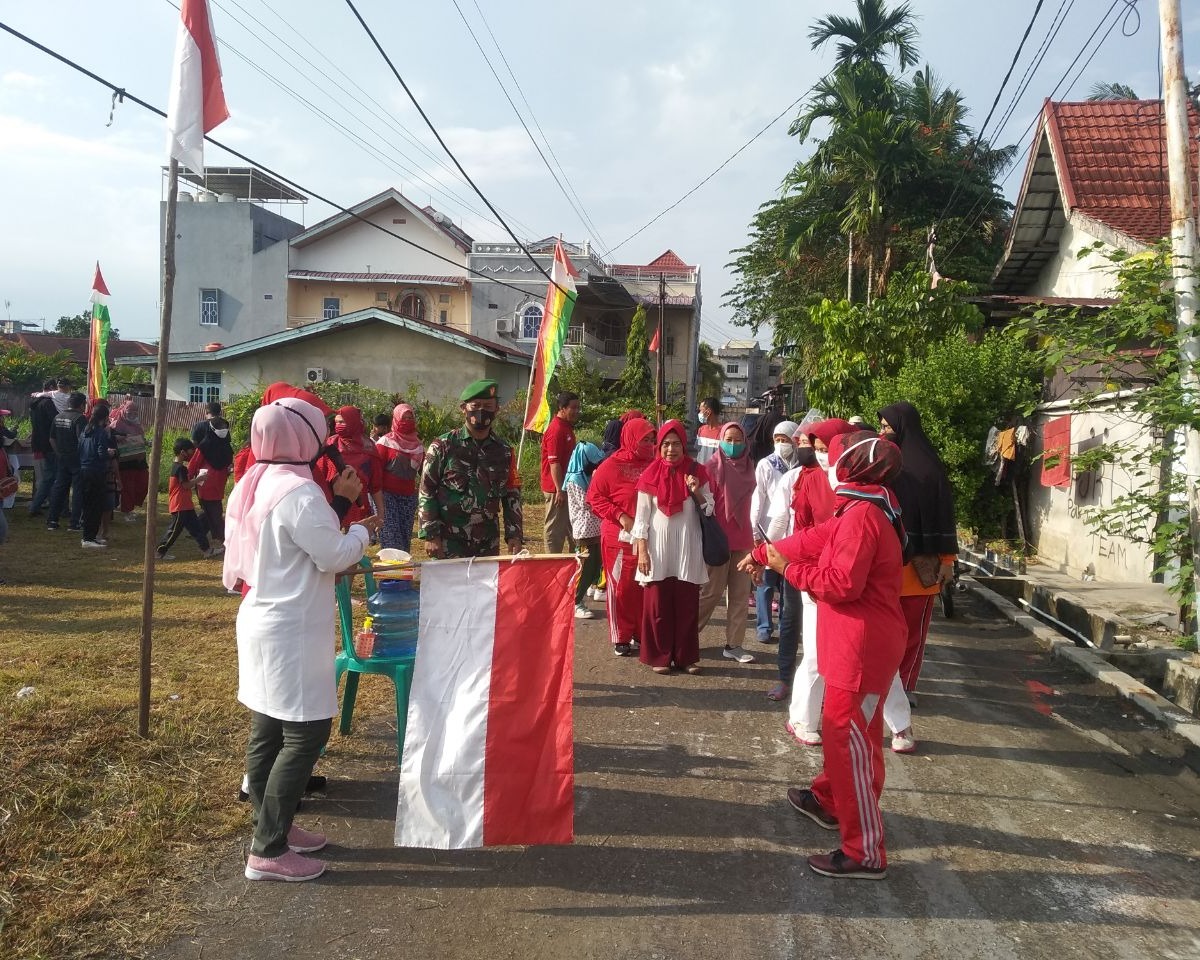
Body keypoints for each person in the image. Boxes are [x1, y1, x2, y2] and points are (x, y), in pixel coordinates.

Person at [741, 430, 907, 880]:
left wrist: (784, 569)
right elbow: (813, 539)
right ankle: (831, 801)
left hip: (862, 648)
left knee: (847, 740)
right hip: (860, 645)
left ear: (847, 467)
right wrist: (763, 552)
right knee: (852, 738)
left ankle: (865, 850)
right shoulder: (862, 507)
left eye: (827, 457)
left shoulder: (861, 517)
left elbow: (839, 582)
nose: (821, 465)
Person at [224, 396, 375, 883]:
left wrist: (336, 508)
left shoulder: (251, 483)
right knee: (305, 731)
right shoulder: (300, 493)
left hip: (262, 619)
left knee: (268, 727)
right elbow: (331, 554)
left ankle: (275, 826)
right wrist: (362, 533)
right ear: (305, 438)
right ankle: (267, 849)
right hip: (290, 628)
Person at [877, 401, 959, 753]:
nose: (882, 431)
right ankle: (887, 686)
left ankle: (904, 687)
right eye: (880, 426)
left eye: (886, 426)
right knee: (887, 634)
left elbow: (945, 516)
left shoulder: (929, 468)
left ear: (902, 426)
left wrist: (948, 561)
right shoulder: (885, 467)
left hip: (920, 571)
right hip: (887, 568)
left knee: (913, 634)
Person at [774, 418, 857, 740]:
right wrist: (771, 554)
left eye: (826, 449)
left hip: (853, 577)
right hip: (816, 575)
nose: (821, 456)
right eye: (817, 449)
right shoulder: (808, 480)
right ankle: (803, 719)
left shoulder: (861, 482)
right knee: (815, 653)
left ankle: (898, 724)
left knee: (861, 656)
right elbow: (806, 530)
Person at [632, 419, 714, 675]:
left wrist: (696, 491)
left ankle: (685, 657)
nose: (671, 449)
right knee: (657, 605)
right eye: (666, 444)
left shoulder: (697, 471)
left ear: (684, 445)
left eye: (676, 444)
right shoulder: (650, 474)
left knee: (687, 605)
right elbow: (641, 518)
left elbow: (709, 509)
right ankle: (659, 656)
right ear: (660, 447)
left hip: (687, 547)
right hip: (657, 548)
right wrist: (642, 551)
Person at [418, 379, 522, 559]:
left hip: (487, 543)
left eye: (488, 405)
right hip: (448, 541)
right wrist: (431, 534)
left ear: (496, 409)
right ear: (463, 408)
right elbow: (427, 490)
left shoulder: (504, 451)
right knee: (449, 587)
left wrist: (514, 534)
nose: (482, 411)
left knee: (485, 588)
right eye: (476, 405)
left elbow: (511, 494)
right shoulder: (443, 446)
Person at [587, 416, 655, 656]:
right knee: (621, 588)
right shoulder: (611, 465)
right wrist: (620, 516)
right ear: (630, 438)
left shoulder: (654, 463)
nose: (649, 444)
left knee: (644, 587)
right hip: (619, 537)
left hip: (648, 538)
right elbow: (594, 498)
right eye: (644, 439)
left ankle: (640, 632)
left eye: (651, 439)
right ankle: (621, 635)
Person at [698, 422, 757, 664]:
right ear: (721, 440)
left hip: (743, 539)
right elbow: (702, 506)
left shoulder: (750, 467)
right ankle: (686, 636)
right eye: (728, 440)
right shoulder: (710, 468)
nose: (733, 445)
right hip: (718, 540)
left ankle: (734, 645)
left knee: (740, 595)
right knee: (711, 592)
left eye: (737, 440)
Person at [750, 420, 799, 645]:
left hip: (795, 531)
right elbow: (758, 498)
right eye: (777, 440)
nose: (781, 444)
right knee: (766, 581)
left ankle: (786, 625)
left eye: (785, 440)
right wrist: (755, 530)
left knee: (788, 583)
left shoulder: (802, 464)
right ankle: (764, 626)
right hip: (770, 529)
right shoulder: (766, 464)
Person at [157, 438, 221, 560]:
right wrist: (199, 479)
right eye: (191, 451)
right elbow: (185, 485)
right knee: (174, 531)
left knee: (197, 529)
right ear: (183, 452)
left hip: (186, 505)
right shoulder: (180, 468)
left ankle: (207, 550)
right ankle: (160, 552)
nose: (193, 454)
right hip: (180, 505)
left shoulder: (177, 466)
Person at [563, 440, 605, 619]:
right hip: (584, 529)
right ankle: (574, 602)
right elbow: (587, 503)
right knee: (584, 566)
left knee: (595, 565)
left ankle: (583, 596)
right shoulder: (575, 479)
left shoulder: (587, 477)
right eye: (592, 462)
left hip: (596, 528)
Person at [324, 406, 384, 530]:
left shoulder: (369, 449)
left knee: (356, 544)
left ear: (353, 422)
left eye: (342, 422)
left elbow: (375, 486)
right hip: (331, 507)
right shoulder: (330, 445)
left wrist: (381, 512)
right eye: (336, 422)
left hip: (359, 508)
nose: (338, 425)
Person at [375, 402, 423, 552]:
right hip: (387, 497)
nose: (407, 421)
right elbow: (376, 471)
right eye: (404, 418)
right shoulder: (385, 442)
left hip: (408, 498)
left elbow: (424, 472)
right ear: (395, 419)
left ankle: (402, 575)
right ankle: (390, 576)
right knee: (391, 537)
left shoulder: (418, 446)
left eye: (410, 418)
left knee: (404, 539)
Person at [540, 391, 579, 554]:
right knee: (554, 528)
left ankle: (573, 560)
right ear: (562, 408)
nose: (577, 411)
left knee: (569, 525)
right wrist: (559, 489)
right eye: (574, 408)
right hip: (556, 489)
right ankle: (551, 560)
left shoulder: (566, 427)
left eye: (578, 407)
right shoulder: (556, 430)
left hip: (565, 487)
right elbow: (554, 462)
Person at [46, 391, 88, 531]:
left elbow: (52, 439)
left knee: (59, 489)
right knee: (77, 491)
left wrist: (59, 453)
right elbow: (81, 439)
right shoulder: (80, 419)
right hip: (76, 459)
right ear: (82, 405)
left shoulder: (58, 417)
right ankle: (74, 523)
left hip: (62, 458)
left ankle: (52, 520)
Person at [190, 411, 234, 543]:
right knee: (214, 511)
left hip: (219, 483)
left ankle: (199, 531)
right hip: (206, 482)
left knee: (211, 510)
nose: (222, 430)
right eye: (219, 428)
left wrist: (230, 468)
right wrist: (187, 479)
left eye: (224, 427)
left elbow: (229, 462)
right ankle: (222, 538)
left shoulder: (226, 445)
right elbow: (194, 463)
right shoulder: (204, 445)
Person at [78, 404, 117, 548]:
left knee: (88, 505)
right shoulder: (100, 432)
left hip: (84, 470)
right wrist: (110, 453)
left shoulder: (85, 430)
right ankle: (89, 538)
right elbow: (101, 454)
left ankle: (89, 536)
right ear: (106, 418)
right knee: (95, 506)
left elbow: (80, 449)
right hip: (95, 472)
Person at [110, 397, 149, 521]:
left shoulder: (136, 423)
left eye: (135, 412)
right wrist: (117, 437)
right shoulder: (116, 422)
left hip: (139, 459)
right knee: (128, 486)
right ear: (124, 409)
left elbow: (139, 437)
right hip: (125, 461)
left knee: (143, 483)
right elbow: (108, 436)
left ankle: (129, 506)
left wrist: (146, 442)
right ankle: (127, 510)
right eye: (129, 411)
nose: (132, 415)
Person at [27, 379, 59, 516]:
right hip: (49, 444)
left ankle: (47, 504)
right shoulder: (48, 403)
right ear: (51, 388)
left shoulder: (34, 404)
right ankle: (40, 505)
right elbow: (55, 422)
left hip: (37, 443)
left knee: (46, 477)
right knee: (50, 477)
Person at [693, 396, 723, 466]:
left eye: (701, 410)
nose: (699, 413)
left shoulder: (724, 433)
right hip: (700, 474)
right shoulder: (701, 430)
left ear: (708, 412)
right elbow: (699, 454)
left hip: (715, 475)